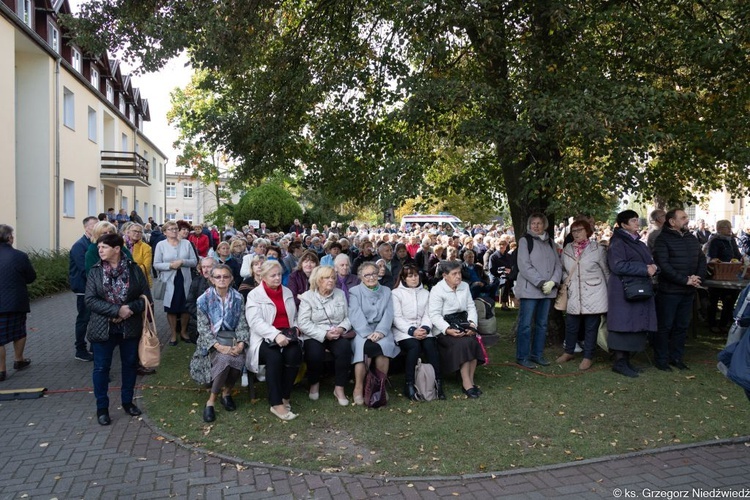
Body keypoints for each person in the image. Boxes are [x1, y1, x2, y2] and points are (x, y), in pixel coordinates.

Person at [85, 233, 150, 425]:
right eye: (99, 248)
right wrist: (116, 310)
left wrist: (129, 309)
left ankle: (128, 402)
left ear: (116, 249)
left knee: (129, 365)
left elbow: (146, 297)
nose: (100, 251)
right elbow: (89, 300)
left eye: (103, 247)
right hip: (102, 328)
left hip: (129, 327)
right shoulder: (95, 271)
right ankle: (102, 408)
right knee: (101, 368)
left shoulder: (134, 269)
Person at [245, 260, 302, 420]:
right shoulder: (254, 295)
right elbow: (255, 321)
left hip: (287, 334)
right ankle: (276, 403)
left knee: (294, 354)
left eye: (279, 274)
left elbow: (294, 315)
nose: (277, 278)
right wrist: (275, 335)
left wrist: (296, 328)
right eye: (273, 275)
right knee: (274, 357)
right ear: (263, 277)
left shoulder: (287, 292)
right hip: (264, 337)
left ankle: (285, 396)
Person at [653, 209, 706, 371]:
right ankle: (661, 360)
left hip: (688, 291)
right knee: (665, 326)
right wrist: (685, 280)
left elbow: (701, 259)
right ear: (672, 222)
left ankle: (676, 357)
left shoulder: (691, 238)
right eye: (683, 218)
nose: (687, 220)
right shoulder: (663, 239)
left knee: (682, 326)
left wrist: (698, 277)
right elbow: (663, 265)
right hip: (669, 291)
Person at [606, 210, 658, 377]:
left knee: (633, 325)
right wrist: (644, 269)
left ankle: (626, 361)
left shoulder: (637, 242)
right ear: (623, 225)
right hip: (623, 289)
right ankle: (619, 362)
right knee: (623, 325)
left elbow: (648, 261)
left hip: (637, 288)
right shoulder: (618, 242)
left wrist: (654, 267)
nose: (637, 223)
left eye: (637, 220)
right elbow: (617, 265)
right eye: (633, 220)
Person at [196, 264, 249, 423]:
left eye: (225, 276)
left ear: (231, 278)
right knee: (224, 359)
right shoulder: (203, 299)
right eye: (218, 277)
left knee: (239, 359)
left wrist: (240, 344)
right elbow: (202, 328)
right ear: (211, 279)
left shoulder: (238, 298)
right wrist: (219, 347)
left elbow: (242, 323)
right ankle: (211, 401)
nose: (222, 279)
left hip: (233, 339)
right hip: (211, 343)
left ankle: (226, 393)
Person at [555, 220, 610, 371]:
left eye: (580, 230)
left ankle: (588, 356)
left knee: (591, 327)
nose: (576, 233)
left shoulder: (597, 249)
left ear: (587, 231)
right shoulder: (567, 249)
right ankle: (569, 352)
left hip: (594, 292)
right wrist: (567, 281)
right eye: (574, 231)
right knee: (571, 325)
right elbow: (564, 269)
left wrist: (610, 291)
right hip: (574, 292)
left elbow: (606, 271)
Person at [297, 266, 353, 406]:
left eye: (333, 278)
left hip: (336, 332)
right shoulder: (307, 297)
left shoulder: (340, 294)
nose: (331, 281)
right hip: (315, 333)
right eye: (327, 278)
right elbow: (303, 323)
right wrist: (324, 334)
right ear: (318, 280)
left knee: (345, 348)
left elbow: (348, 317)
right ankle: (314, 383)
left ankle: (339, 388)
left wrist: (341, 329)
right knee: (314, 353)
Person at [428, 260, 484, 398]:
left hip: (463, 323)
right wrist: (447, 329)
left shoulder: (464, 286)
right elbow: (434, 315)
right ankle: (467, 384)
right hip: (445, 328)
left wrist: (472, 325)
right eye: (454, 274)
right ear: (444, 276)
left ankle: (470, 380)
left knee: (473, 341)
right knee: (464, 344)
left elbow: (471, 307)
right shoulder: (437, 290)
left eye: (459, 273)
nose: (458, 276)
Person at [513, 213, 562, 368]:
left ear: (544, 225)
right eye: (533, 223)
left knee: (542, 324)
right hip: (530, 290)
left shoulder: (551, 243)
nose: (536, 226)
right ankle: (522, 356)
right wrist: (541, 282)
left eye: (539, 223)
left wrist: (553, 281)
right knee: (526, 324)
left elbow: (558, 265)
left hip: (547, 292)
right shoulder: (525, 241)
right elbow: (524, 265)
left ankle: (537, 354)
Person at [348, 261, 399, 405]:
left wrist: (381, 332)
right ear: (361, 277)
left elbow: (389, 314)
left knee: (383, 347)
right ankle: (358, 386)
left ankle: (380, 386)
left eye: (374, 274)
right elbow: (355, 314)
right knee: (363, 348)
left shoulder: (387, 291)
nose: (371, 277)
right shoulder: (355, 292)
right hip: (362, 330)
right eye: (367, 275)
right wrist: (366, 333)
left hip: (382, 329)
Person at [392, 264, 445, 400]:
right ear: (404, 278)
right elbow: (396, 318)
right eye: (410, 276)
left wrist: (425, 328)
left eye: (416, 275)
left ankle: (438, 382)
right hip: (404, 331)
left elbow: (429, 314)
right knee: (414, 347)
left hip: (423, 328)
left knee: (430, 346)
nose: (414, 279)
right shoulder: (396, 293)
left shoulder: (426, 293)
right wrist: (412, 331)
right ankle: (409, 384)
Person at [0, 225, 37, 382]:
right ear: (9, 238)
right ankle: (18, 359)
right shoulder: (20, 256)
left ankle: (1, 370)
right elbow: (30, 277)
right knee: (19, 331)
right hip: (16, 302)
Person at [154, 220, 198, 345]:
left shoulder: (186, 243)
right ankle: (173, 334)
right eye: (170, 229)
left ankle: (184, 332)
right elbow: (156, 264)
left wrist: (183, 262)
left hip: (184, 279)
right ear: (164, 232)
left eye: (175, 229)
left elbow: (194, 262)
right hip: (169, 281)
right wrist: (170, 265)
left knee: (185, 308)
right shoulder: (161, 245)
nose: (174, 231)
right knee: (171, 308)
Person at [69, 216, 98, 362]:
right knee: (84, 319)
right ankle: (80, 349)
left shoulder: (96, 243)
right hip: (84, 288)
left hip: (94, 288)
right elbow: (84, 269)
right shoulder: (80, 246)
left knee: (95, 318)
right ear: (87, 228)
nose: (98, 227)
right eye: (95, 225)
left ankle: (95, 346)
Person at [706, 220, 742, 333]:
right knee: (714, 300)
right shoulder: (715, 241)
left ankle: (724, 323)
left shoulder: (732, 240)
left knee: (730, 300)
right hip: (718, 274)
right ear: (719, 229)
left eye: (730, 227)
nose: (730, 229)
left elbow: (737, 254)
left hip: (731, 273)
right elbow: (712, 257)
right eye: (727, 227)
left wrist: (740, 259)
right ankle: (712, 324)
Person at [125, 223, 153, 287]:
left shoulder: (146, 247)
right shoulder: (120, 245)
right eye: (135, 231)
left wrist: (132, 273)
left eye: (140, 232)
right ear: (128, 232)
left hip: (140, 281)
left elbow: (146, 266)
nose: (137, 233)